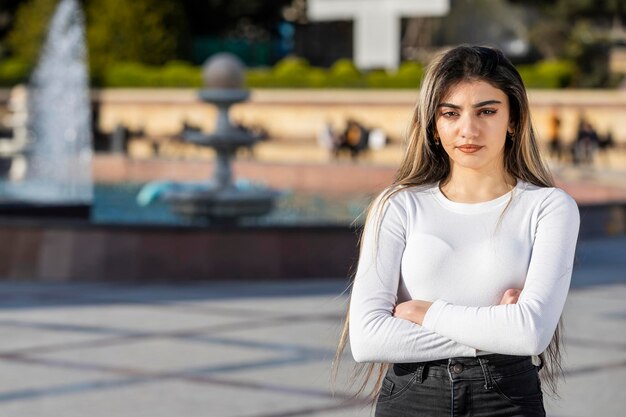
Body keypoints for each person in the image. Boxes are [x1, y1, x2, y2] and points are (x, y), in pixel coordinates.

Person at [333, 46, 580, 416]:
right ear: (433, 125)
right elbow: (368, 338)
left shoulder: (549, 208)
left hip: (505, 399)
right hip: (410, 398)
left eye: (487, 111)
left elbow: (529, 332)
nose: (468, 130)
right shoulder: (398, 205)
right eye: (451, 113)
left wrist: (424, 311)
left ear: (513, 118)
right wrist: (493, 330)